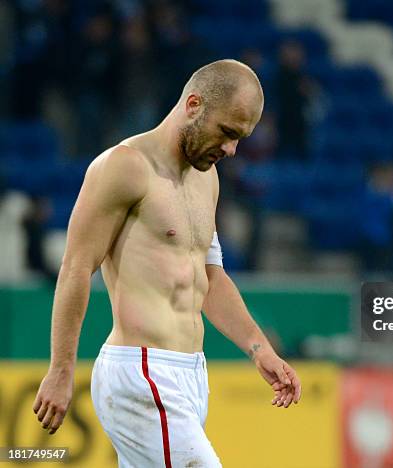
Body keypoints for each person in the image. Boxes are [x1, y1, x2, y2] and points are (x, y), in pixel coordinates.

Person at [32, 59, 302, 468]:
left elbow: (210, 278)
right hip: (142, 374)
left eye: (241, 139)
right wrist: (60, 369)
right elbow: (75, 268)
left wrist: (259, 349)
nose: (231, 150)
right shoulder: (124, 167)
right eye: (228, 132)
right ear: (193, 104)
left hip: (191, 375)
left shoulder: (205, 177)